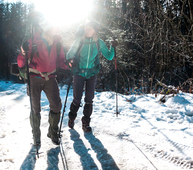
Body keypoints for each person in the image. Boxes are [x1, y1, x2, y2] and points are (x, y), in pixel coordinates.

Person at [17, 19, 69, 150]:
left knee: (56, 105)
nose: (55, 29)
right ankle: (36, 136)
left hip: (50, 78)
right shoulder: (33, 42)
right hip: (34, 77)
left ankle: (53, 132)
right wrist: (23, 52)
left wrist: (69, 64)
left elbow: (61, 61)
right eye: (53, 27)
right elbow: (21, 63)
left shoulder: (57, 43)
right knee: (35, 108)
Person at [66, 21, 118, 132]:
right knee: (77, 99)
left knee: (89, 99)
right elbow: (69, 54)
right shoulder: (79, 41)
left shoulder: (99, 42)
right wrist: (72, 60)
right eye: (86, 28)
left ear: (95, 30)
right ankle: (71, 117)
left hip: (92, 74)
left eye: (90, 28)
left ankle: (86, 123)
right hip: (79, 73)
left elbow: (109, 56)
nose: (87, 30)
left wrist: (113, 47)